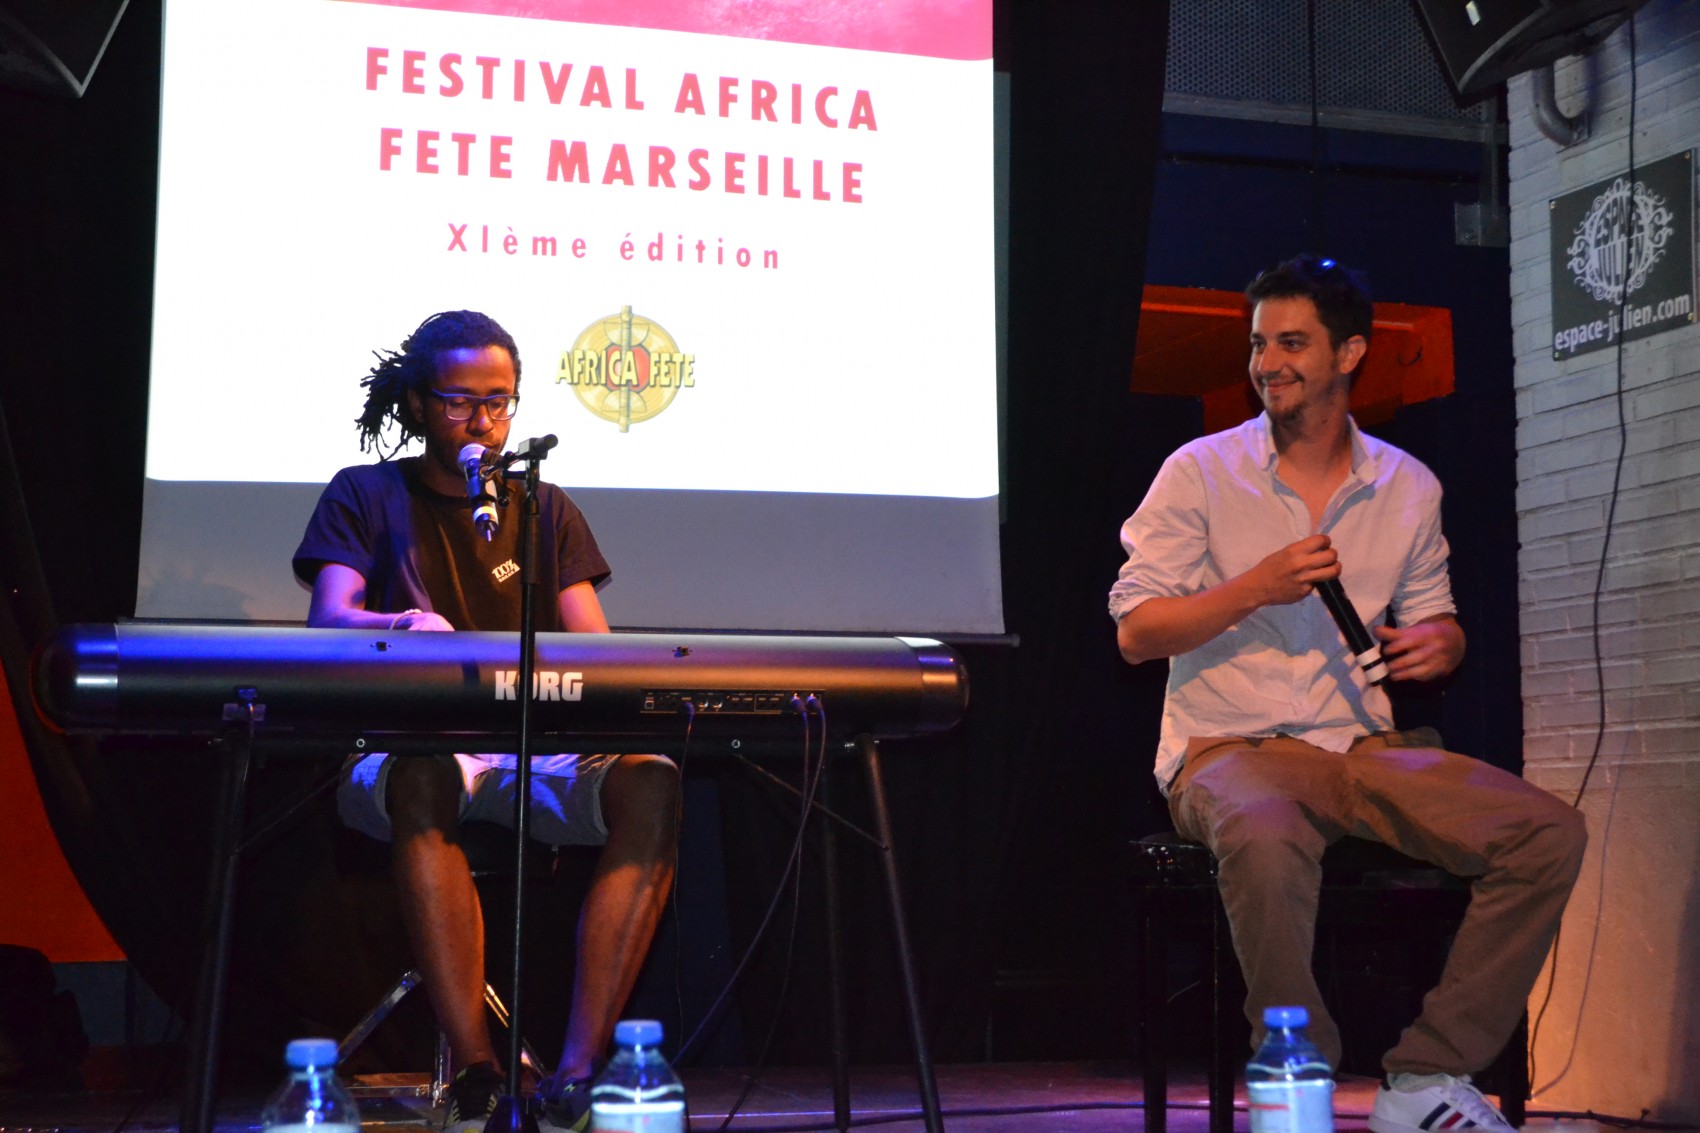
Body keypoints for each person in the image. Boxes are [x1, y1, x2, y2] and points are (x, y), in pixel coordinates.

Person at [1108, 257, 1586, 1133]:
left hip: (1361, 747)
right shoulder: (1200, 471)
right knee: (1263, 830)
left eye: (1291, 343)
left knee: (1547, 831)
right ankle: (1300, 1079)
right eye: (1259, 344)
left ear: (1351, 353)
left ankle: (1427, 1075)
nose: (1267, 363)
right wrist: (1253, 586)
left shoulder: (1407, 485)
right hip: (1228, 747)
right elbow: (1137, 632)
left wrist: (1441, 644)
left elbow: (1437, 622)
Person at [292, 310, 679, 1133]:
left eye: (498, 402)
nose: (482, 422)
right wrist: (399, 625)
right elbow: (330, 618)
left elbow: (595, 652)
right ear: (418, 403)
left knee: (652, 782)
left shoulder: (544, 509)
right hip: (406, 747)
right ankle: (478, 1070)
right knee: (424, 776)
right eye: (460, 402)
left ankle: (576, 1075)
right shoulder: (365, 492)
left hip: (528, 749)